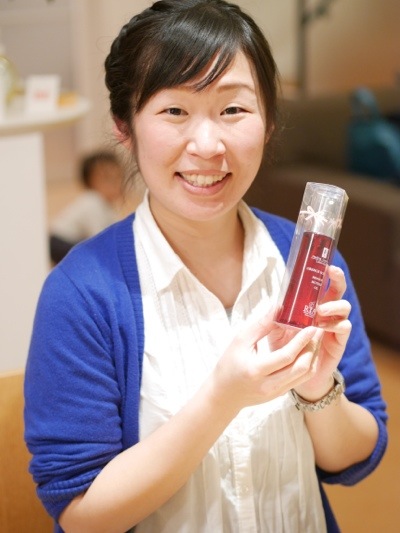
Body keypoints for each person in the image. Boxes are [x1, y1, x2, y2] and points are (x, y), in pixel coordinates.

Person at [24, 1, 387, 532]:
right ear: (124, 127)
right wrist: (222, 398)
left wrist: (317, 386)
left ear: (268, 120)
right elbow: (81, 516)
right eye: (174, 111)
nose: (208, 145)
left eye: (233, 109)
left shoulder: (308, 262)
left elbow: (355, 455)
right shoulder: (81, 293)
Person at [49, 150, 124, 263]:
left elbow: (113, 230)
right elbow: (99, 236)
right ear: (91, 182)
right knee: (90, 256)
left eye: (118, 178)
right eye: (108, 180)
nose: (116, 185)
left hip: (68, 241)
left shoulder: (108, 206)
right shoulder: (92, 200)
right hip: (60, 241)